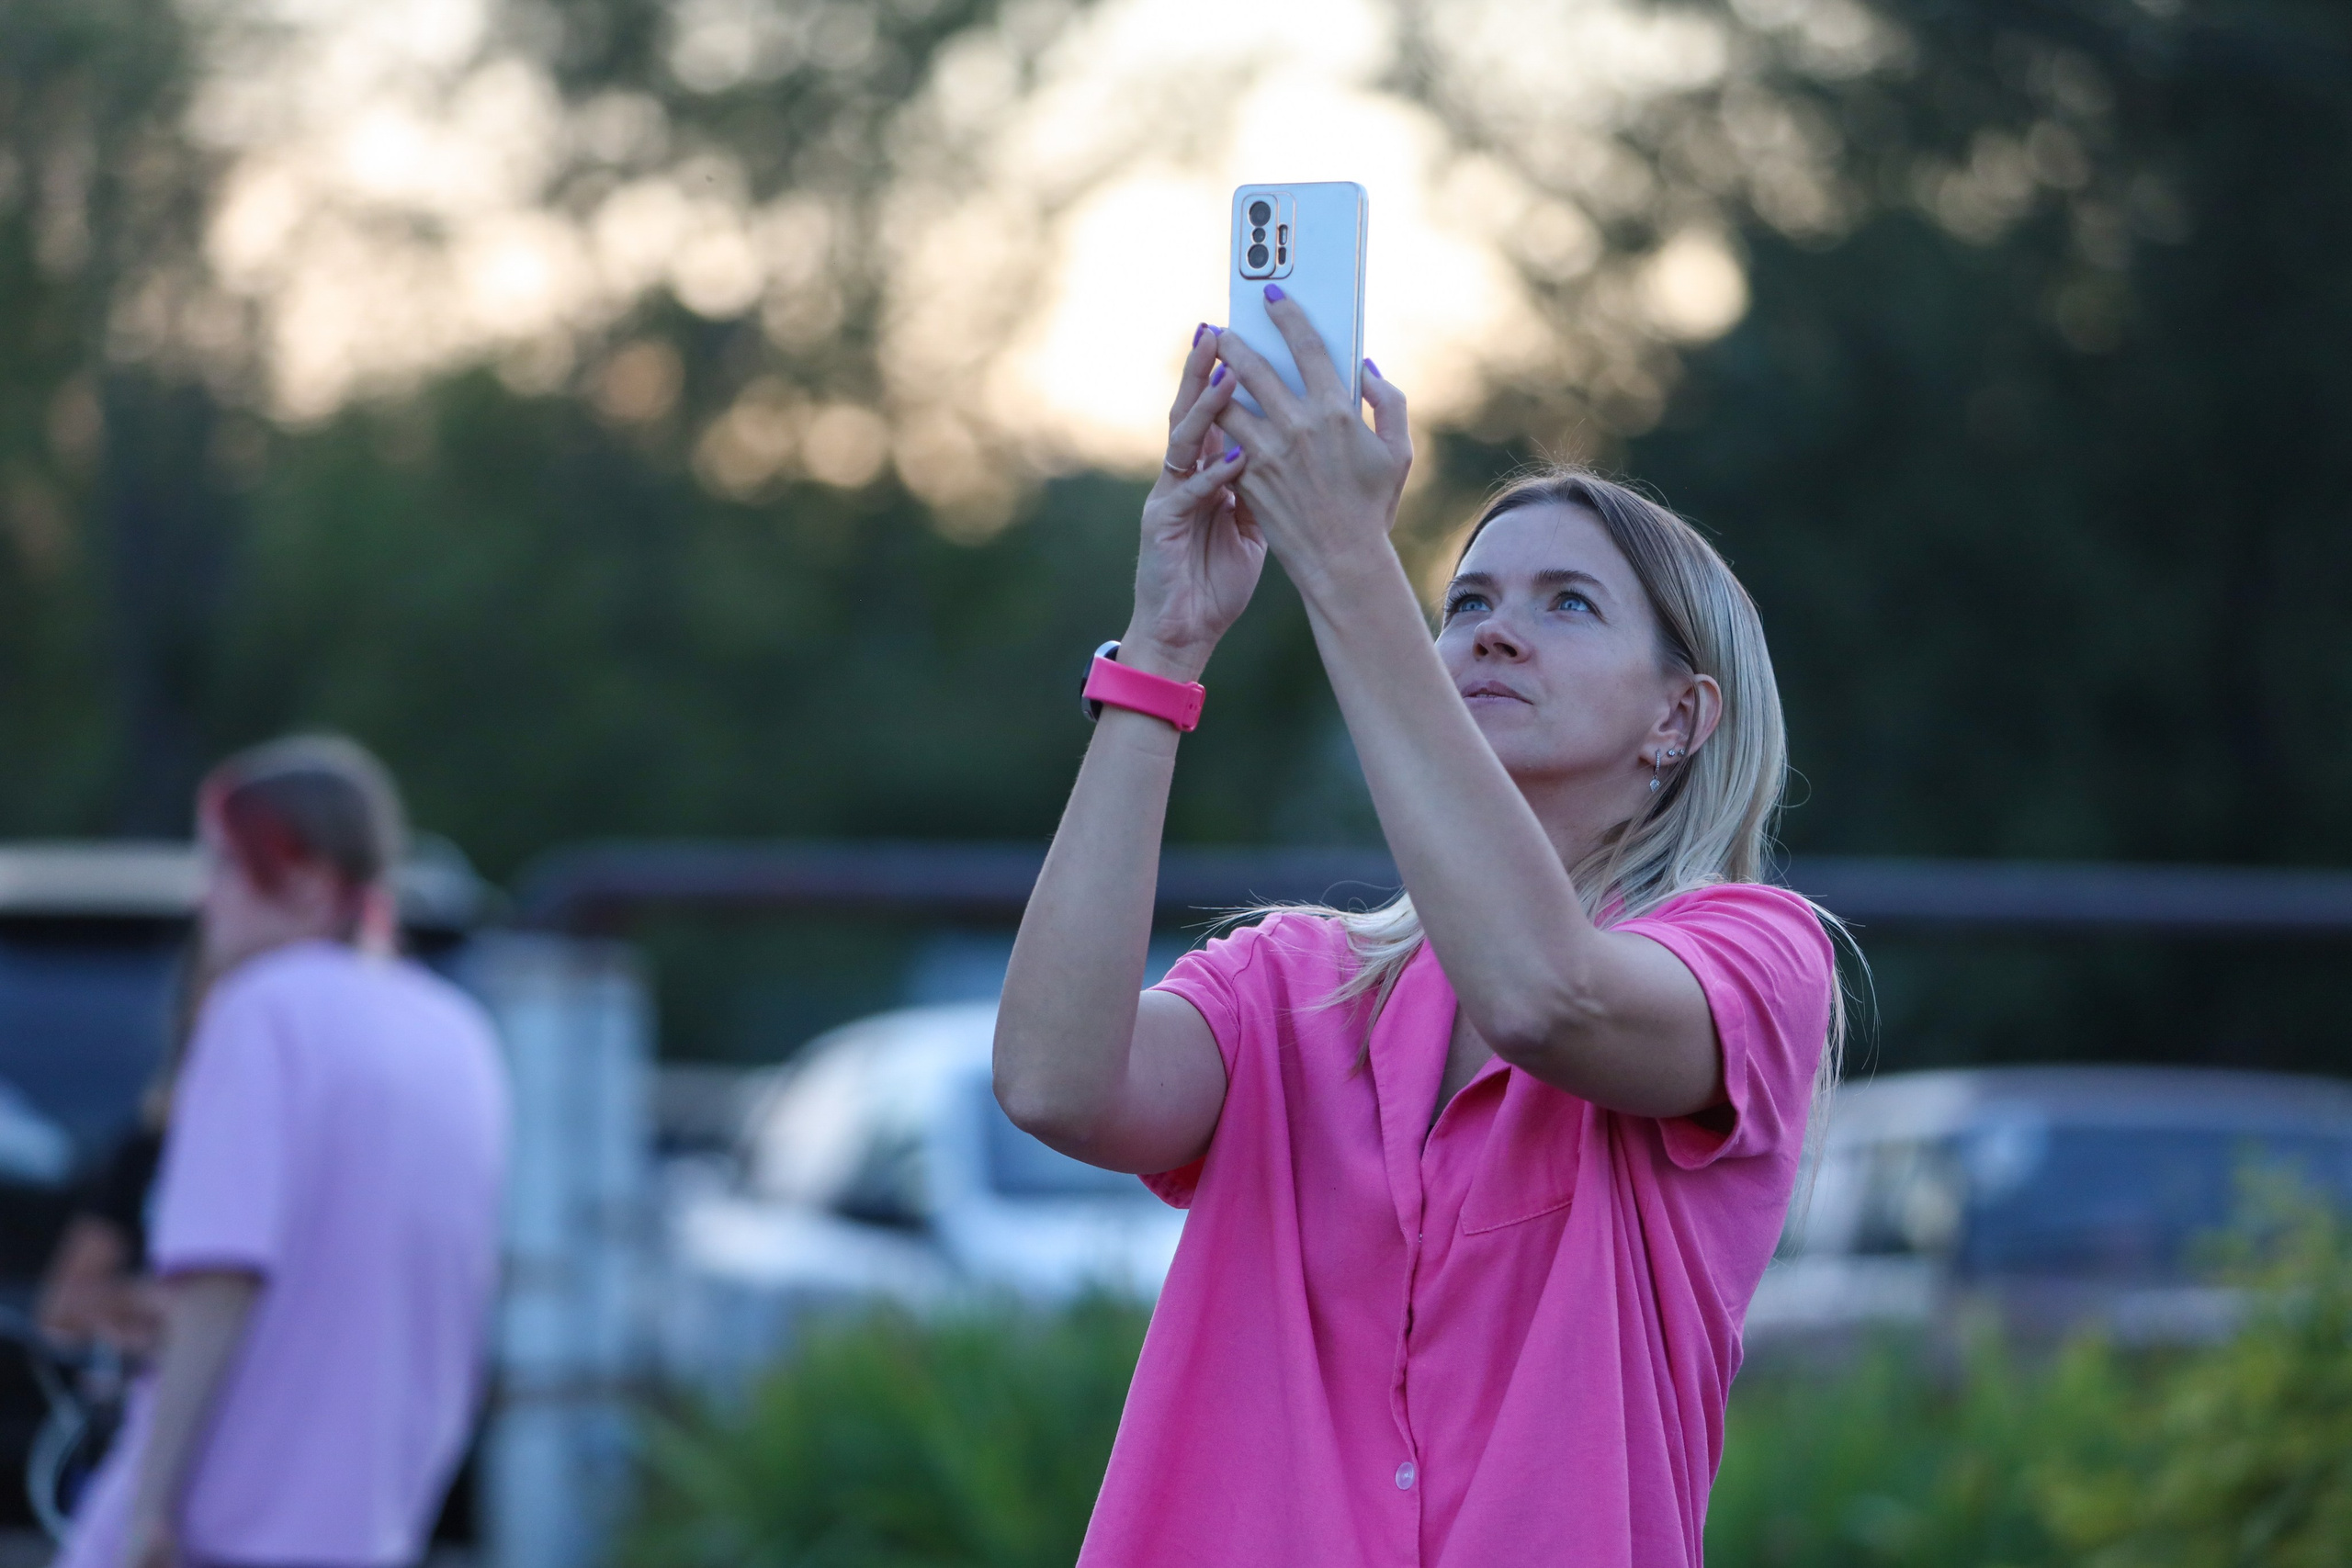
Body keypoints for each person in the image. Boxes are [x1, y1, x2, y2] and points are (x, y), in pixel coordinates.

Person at [992, 304, 1848, 1567]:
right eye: (1470, 600)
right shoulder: (1296, 982)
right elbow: (1057, 1080)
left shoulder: (1757, 958)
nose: (1496, 628)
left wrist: (1347, 558)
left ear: (1681, 716)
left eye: (1567, 602)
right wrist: (1164, 645)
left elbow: (1547, 996)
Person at [56, 735, 509, 1568]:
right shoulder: (460, 1032)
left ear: (305, 882)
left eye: (226, 865)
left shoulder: (261, 1011)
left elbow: (221, 1276)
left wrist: (146, 1509)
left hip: (222, 1524)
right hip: (369, 1527)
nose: (206, 897)